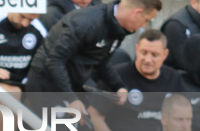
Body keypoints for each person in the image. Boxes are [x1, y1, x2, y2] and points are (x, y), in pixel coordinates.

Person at [26, 0, 163, 116]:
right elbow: (55, 60)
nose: (144, 26)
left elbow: (100, 61)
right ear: (136, 13)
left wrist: (118, 86)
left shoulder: (117, 27)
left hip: (70, 83)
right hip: (45, 82)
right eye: (146, 20)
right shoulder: (88, 22)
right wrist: (71, 98)